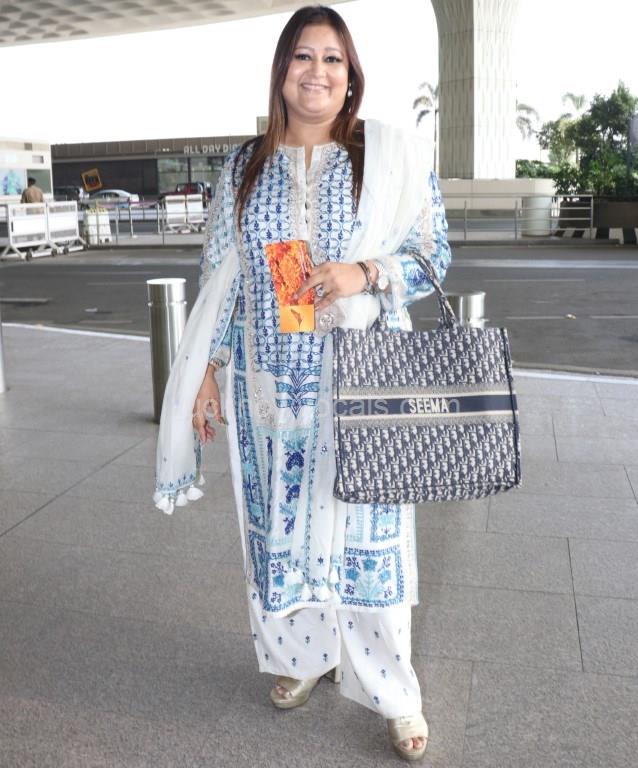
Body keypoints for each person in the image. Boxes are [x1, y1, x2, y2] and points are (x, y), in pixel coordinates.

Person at [154, 5, 451, 761]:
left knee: (371, 541)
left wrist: (366, 271)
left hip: (361, 384)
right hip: (269, 387)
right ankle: (300, 658)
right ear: (282, 70)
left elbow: (434, 257)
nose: (317, 71)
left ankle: (394, 693)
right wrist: (207, 372)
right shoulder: (243, 166)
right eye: (303, 56)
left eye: (333, 59)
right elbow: (221, 277)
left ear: (352, 77)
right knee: (278, 534)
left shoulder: (387, 156)